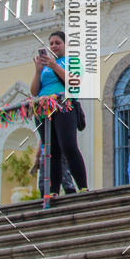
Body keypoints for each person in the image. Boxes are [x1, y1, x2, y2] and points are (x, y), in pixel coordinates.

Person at [30, 30, 88, 196]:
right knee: (51, 150)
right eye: (51, 43)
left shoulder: (72, 61)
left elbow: (75, 82)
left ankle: (83, 186)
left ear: (65, 45)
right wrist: (38, 70)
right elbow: (34, 91)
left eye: (57, 43)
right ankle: (53, 190)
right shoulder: (45, 68)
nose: (54, 46)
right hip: (43, 108)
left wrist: (55, 65)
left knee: (68, 146)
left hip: (63, 105)